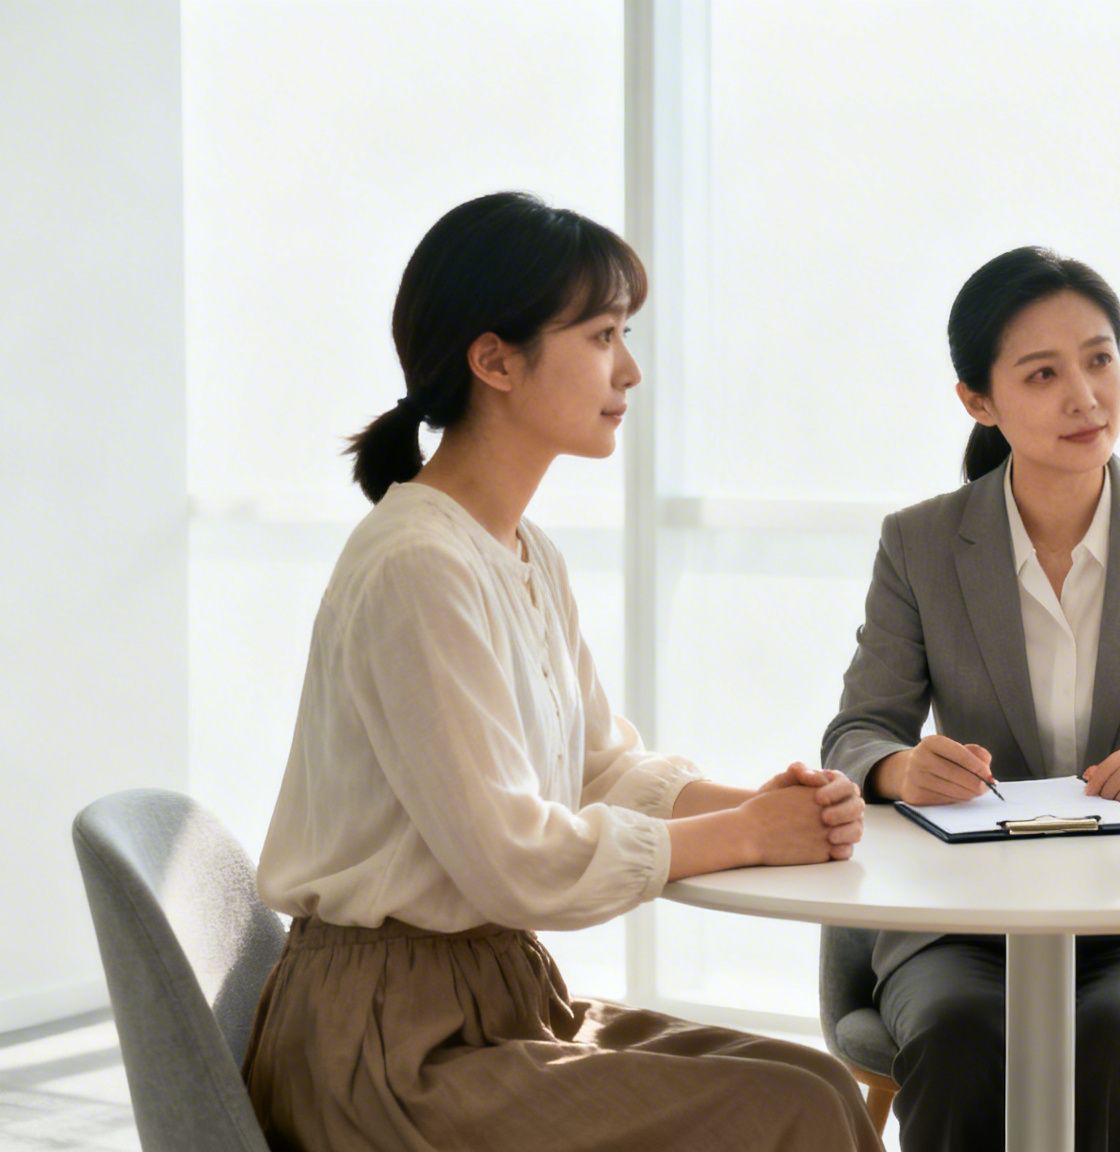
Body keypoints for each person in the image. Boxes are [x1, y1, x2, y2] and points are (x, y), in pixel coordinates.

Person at [244, 192, 883, 1152]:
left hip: (493, 1001)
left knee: (819, 1081)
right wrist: (747, 835)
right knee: (791, 1112)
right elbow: (512, 858)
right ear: (494, 359)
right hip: (387, 1052)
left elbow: (599, 769)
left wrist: (770, 805)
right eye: (600, 336)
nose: (628, 369)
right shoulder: (419, 565)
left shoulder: (521, 550)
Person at [821, 246, 1120, 1151]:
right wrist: (900, 764)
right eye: (1043, 373)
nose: (1085, 395)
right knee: (958, 1038)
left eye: (1101, 358)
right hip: (964, 926)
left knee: (1118, 1037)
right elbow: (857, 731)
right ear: (978, 401)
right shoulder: (921, 543)